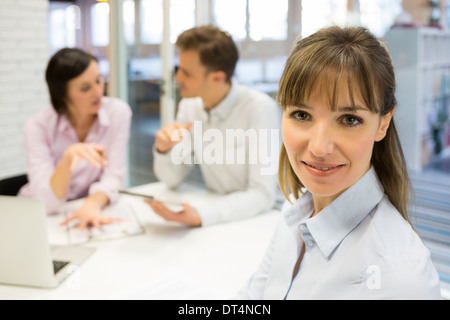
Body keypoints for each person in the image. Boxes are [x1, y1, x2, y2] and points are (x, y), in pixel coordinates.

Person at [236, 26, 441, 299]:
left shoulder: (396, 275)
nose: (319, 148)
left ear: (383, 122)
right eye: (301, 114)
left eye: (349, 120)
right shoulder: (297, 212)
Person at [148, 25, 281, 227]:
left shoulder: (261, 110)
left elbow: (262, 195)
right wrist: (163, 150)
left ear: (217, 78)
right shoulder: (190, 106)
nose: (177, 78)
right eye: (178, 69)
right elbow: (172, 179)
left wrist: (201, 215)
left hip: (264, 219)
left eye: (186, 73)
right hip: (219, 215)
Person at [19, 48, 132, 230]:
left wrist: (93, 203)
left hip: (86, 209)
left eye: (99, 80)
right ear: (62, 95)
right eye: (85, 88)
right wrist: (68, 160)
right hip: (40, 217)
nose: (98, 92)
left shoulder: (118, 112)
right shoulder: (37, 126)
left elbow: (114, 176)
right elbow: (46, 203)